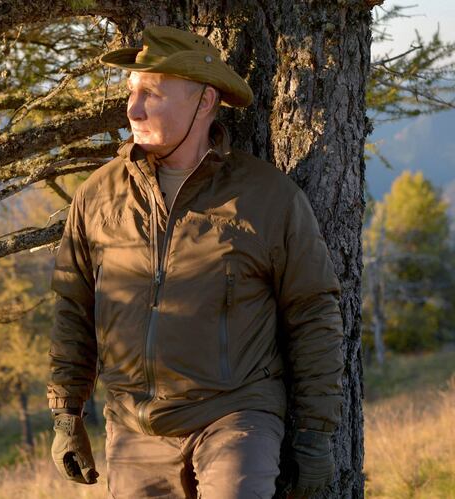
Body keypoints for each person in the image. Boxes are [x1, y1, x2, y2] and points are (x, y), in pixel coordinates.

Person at [47, 25, 344, 499]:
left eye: (152, 94)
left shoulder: (267, 198)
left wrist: (315, 434)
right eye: (131, 92)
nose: (133, 108)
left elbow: (313, 313)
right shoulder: (98, 196)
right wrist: (67, 413)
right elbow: (73, 307)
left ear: (205, 101)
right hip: (133, 426)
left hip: (237, 415)